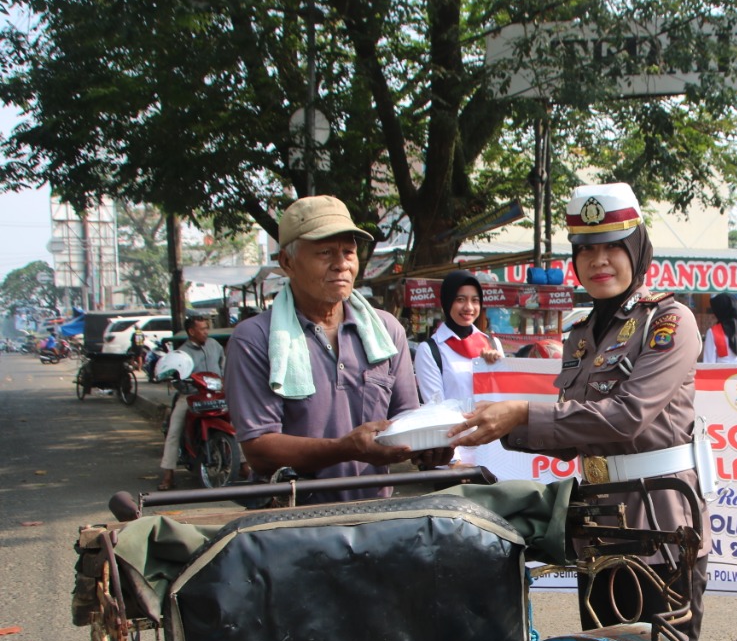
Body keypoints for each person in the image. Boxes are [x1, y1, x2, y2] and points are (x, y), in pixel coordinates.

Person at [448, 182, 715, 641]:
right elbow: (574, 429)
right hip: (596, 520)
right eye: (585, 249)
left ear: (637, 249)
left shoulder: (669, 322)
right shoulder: (580, 335)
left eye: (613, 246)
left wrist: (521, 414)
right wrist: (488, 430)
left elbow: (624, 417)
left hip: (659, 520)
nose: (598, 261)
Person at [224, 195, 446, 503]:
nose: (341, 264)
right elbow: (259, 450)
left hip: (375, 513)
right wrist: (345, 448)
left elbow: (404, 418)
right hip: (290, 519)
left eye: (348, 251)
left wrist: (430, 445)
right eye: (325, 252)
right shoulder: (255, 339)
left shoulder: (385, 330)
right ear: (287, 262)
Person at [414, 270, 504, 465]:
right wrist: (454, 461)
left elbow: (504, 401)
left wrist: (497, 368)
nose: (469, 307)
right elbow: (436, 410)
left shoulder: (493, 344)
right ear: (447, 302)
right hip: (455, 456)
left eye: (475, 300)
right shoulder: (430, 349)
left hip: (495, 455)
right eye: (460, 299)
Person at [158, 316, 237, 490]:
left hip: (216, 396)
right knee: (174, 430)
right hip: (191, 397)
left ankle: (244, 465)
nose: (206, 332)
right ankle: (168, 474)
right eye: (202, 329)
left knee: (239, 423)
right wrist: (185, 385)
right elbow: (176, 378)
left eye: (206, 328)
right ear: (191, 332)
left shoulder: (214, 346)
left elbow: (224, 367)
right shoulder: (182, 353)